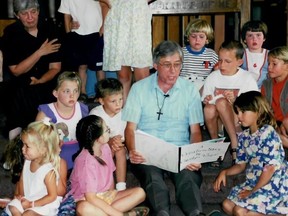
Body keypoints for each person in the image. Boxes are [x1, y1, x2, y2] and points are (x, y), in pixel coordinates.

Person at [122, 40, 221, 216]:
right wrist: (132, 150)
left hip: (179, 150)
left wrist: (193, 153)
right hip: (148, 153)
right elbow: (130, 129)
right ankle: (162, 213)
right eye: (167, 65)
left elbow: (196, 131)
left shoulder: (189, 90)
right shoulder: (138, 89)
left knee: (189, 177)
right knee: (153, 178)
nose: (173, 70)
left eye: (177, 65)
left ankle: (196, 213)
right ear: (155, 65)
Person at [213, 91, 288, 215]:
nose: (239, 116)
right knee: (227, 205)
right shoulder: (244, 136)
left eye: (243, 112)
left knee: (239, 211)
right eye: (237, 112)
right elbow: (241, 165)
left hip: (274, 182)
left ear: (257, 111)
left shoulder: (267, 132)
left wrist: (253, 191)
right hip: (256, 180)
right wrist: (224, 172)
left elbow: (269, 169)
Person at [1, 0, 62, 141]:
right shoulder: (11, 33)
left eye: (33, 12)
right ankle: (15, 147)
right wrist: (40, 52)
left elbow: (55, 68)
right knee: (19, 93)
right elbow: (16, 70)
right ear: (17, 15)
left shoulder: (50, 28)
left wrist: (40, 80)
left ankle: (45, 143)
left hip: (47, 79)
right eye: (24, 13)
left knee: (50, 92)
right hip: (21, 82)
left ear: (39, 12)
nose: (30, 17)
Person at [68, 115, 149, 216]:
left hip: (105, 195)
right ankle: (124, 214)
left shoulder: (105, 147)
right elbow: (91, 198)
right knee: (83, 208)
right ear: (99, 138)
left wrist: (112, 193)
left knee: (140, 193)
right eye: (107, 130)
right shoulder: (85, 162)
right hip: (88, 199)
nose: (109, 132)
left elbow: (109, 175)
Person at [202, 40, 259, 164]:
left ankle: (234, 141)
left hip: (238, 122)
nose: (222, 65)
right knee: (209, 108)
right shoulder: (213, 77)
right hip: (219, 123)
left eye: (227, 61)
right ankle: (215, 144)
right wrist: (206, 100)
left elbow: (254, 105)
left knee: (222, 102)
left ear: (239, 62)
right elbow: (206, 99)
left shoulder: (246, 78)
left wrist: (235, 101)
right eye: (220, 60)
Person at [4, 118, 63, 216]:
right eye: (23, 145)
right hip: (29, 198)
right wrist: (21, 197)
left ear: (43, 149)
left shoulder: (48, 171)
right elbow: (22, 179)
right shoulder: (27, 161)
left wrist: (32, 204)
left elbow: (52, 196)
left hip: (43, 203)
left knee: (28, 214)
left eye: (27, 146)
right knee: (13, 207)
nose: (23, 149)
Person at [103, 0, 156, 104]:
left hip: (138, 14)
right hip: (118, 16)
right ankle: (124, 109)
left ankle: (145, 109)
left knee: (142, 73)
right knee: (123, 74)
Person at [36, 71, 89, 171]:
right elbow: (37, 139)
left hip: (78, 148)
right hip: (55, 150)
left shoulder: (82, 109)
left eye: (76, 91)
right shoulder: (47, 113)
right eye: (67, 91)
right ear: (56, 93)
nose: (72, 95)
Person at [58, 0, 109, 102]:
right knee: (82, 66)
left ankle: (102, 95)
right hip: (77, 34)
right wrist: (69, 34)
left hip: (96, 32)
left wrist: (104, 26)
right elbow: (66, 14)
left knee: (99, 67)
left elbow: (105, 5)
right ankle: (82, 93)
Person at [89, 78, 127, 191]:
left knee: (120, 149)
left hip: (120, 148)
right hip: (101, 150)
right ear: (101, 101)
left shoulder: (125, 113)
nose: (118, 104)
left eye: (120, 99)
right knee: (107, 147)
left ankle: (121, 187)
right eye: (113, 101)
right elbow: (93, 140)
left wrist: (118, 142)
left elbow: (127, 136)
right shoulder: (95, 115)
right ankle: (105, 185)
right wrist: (110, 141)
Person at [180, 18, 218, 92]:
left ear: (207, 39)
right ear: (188, 37)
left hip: (203, 88)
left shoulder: (211, 54)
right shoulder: (180, 53)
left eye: (201, 37)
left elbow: (219, 70)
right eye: (193, 36)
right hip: (184, 87)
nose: (197, 40)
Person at [261, 46, 288, 148]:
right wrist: (275, 125)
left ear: (287, 65)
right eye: (269, 63)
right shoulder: (266, 84)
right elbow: (264, 109)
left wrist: (284, 122)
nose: (269, 67)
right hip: (275, 123)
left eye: (274, 64)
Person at [240, 20, 269, 89]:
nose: (254, 39)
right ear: (244, 39)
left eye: (258, 35)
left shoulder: (270, 55)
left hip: (263, 90)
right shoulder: (241, 54)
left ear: (264, 38)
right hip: (244, 89)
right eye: (250, 35)